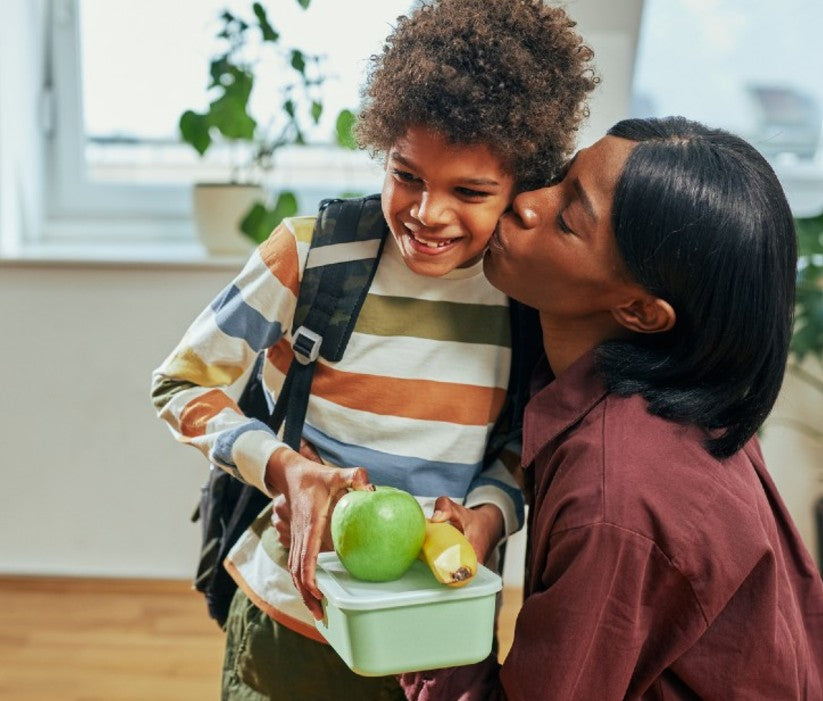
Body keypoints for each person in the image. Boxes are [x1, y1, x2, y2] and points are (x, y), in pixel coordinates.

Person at [151, 1, 597, 698]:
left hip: (437, 629)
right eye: (407, 175)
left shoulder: (522, 296)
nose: (427, 213)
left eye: (469, 191)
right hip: (292, 619)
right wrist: (282, 467)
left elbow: (523, 440)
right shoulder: (311, 255)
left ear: (521, 186)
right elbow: (178, 386)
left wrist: (487, 514)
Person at [400, 116, 823, 700]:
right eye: (561, 177)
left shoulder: (615, 495)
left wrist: (428, 629)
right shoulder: (674, 390)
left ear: (643, 312)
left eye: (568, 218)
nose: (526, 203)